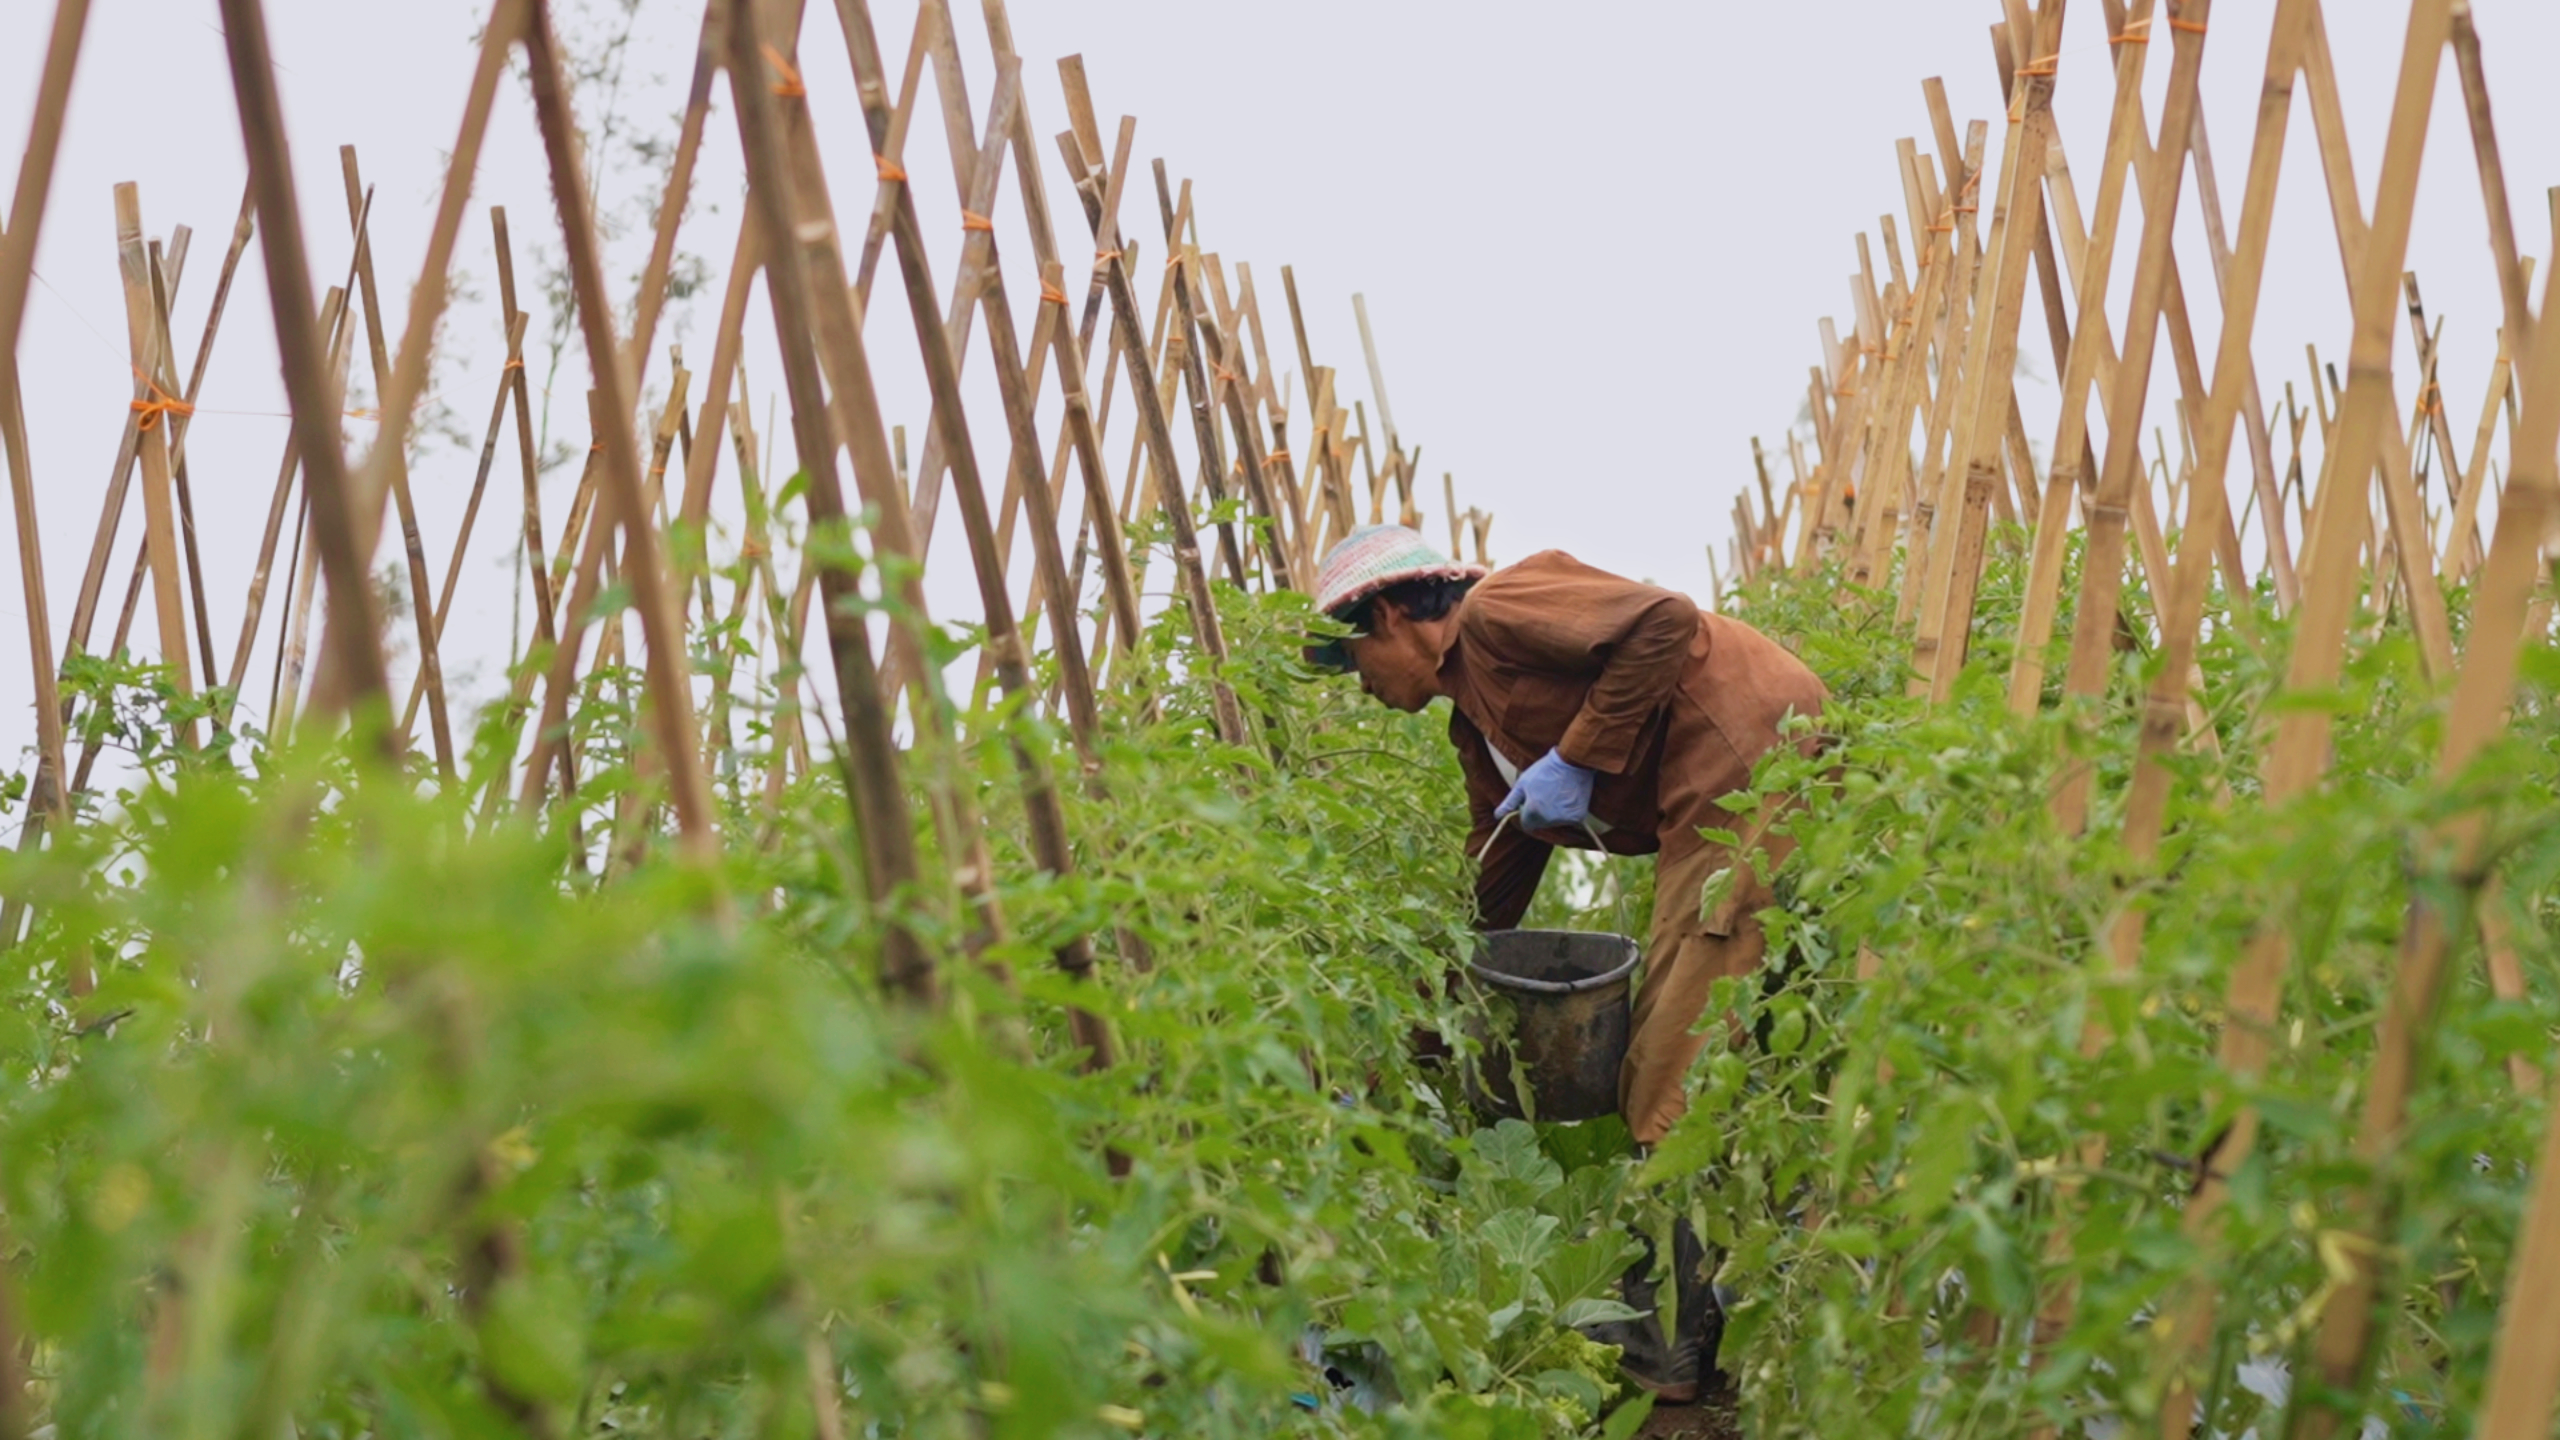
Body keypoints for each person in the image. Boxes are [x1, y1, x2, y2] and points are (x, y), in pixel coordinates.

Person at [1304, 524, 1829, 1404]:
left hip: (1749, 757)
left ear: (1392, 616)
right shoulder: (1473, 730)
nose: (1359, 686)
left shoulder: (1500, 611)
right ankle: (1747, 1299)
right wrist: (1416, 1036)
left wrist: (1579, 755)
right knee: (1747, 1032)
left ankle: (1659, 1346)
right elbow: (1492, 886)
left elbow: (1662, 620)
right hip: (1709, 795)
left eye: (1354, 662)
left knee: (1670, 1049)